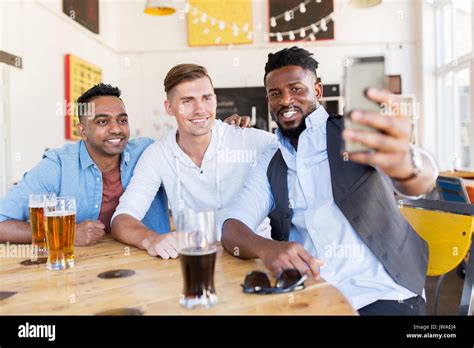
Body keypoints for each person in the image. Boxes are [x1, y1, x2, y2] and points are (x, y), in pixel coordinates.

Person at [221, 47, 438, 315]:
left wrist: (407, 164)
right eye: (275, 94)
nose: (286, 100)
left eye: (297, 89)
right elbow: (231, 230)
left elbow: (421, 182)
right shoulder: (270, 161)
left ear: (318, 91)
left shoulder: (355, 134)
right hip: (313, 296)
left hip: (384, 291)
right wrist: (267, 248)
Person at [111, 64, 277, 259]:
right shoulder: (157, 155)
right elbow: (122, 219)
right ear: (169, 108)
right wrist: (151, 239)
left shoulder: (250, 140)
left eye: (207, 98)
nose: (200, 109)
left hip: (254, 261)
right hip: (196, 260)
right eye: (187, 101)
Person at [0, 84, 171, 246]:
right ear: (82, 131)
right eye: (103, 122)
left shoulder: (147, 151)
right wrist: (64, 232)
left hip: (153, 260)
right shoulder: (58, 166)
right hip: (82, 269)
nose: (117, 129)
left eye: (122, 120)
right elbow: (2, 222)